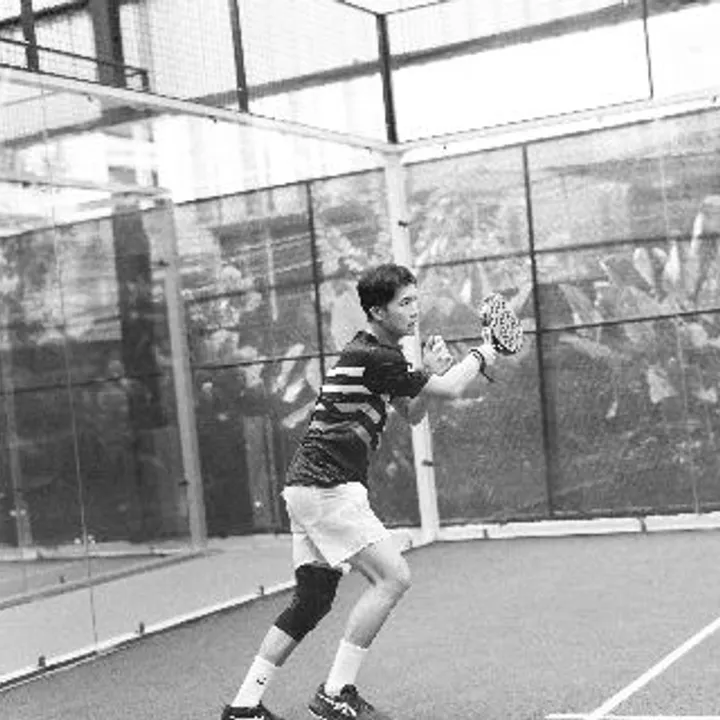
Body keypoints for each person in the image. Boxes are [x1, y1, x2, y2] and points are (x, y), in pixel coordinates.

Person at [221, 263, 498, 720]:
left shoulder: (377, 354)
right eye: (405, 303)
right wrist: (485, 352)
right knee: (393, 578)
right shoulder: (377, 356)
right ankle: (335, 693)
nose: (415, 310)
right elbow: (450, 389)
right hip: (327, 487)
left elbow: (412, 414)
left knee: (312, 601)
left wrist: (427, 374)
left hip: (307, 488)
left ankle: (244, 706)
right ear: (377, 312)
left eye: (416, 300)